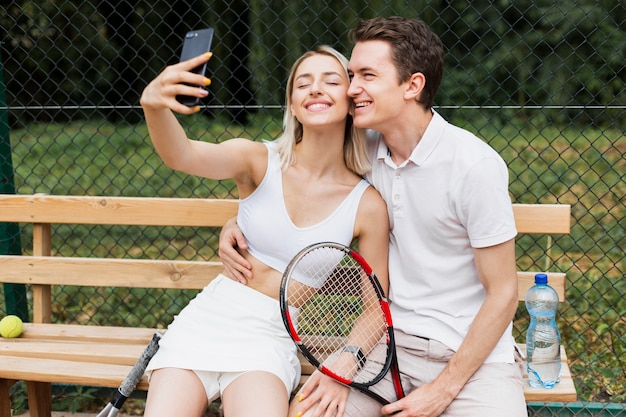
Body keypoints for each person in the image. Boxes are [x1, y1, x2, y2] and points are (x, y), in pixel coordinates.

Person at [219, 16, 528, 417]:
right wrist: (237, 222)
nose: (351, 89)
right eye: (351, 74)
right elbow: (289, 180)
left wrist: (443, 390)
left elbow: (503, 293)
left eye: (367, 75)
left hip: (472, 358)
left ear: (412, 86)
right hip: (385, 345)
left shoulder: (473, 166)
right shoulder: (361, 148)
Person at [139, 45, 390, 417]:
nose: (315, 89)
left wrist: (347, 360)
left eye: (331, 81)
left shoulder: (366, 204)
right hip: (207, 320)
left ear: (351, 100)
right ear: (292, 104)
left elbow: (376, 309)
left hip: (270, 336)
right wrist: (153, 105)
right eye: (303, 83)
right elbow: (182, 155)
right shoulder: (256, 159)